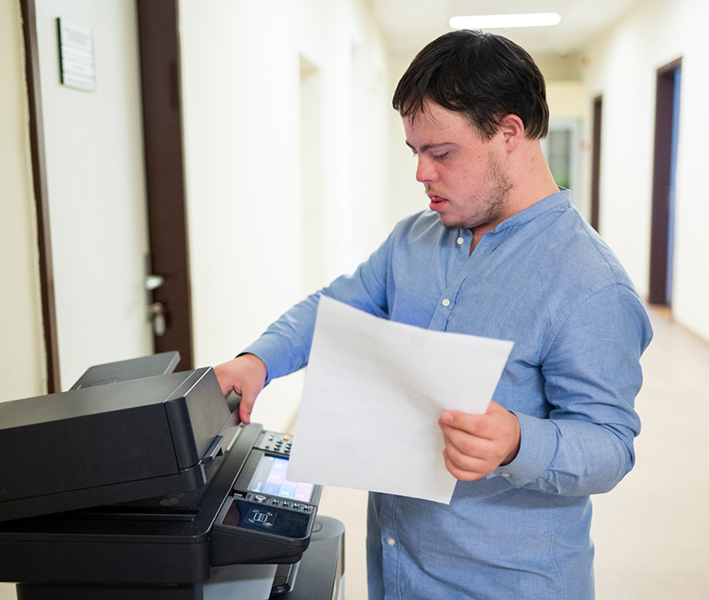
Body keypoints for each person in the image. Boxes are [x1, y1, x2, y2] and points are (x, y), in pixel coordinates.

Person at [215, 29, 653, 600]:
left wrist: (519, 441)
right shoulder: (413, 240)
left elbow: (610, 445)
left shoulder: (590, 283)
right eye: (415, 152)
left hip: (507, 583)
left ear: (509, 133)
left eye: (440, 153)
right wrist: (257, 362)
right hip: (398, 567)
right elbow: (335, 307)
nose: (422, 173)